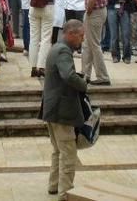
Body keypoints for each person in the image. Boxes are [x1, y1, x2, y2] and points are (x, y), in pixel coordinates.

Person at [40, 19, 88, 200]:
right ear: (71, 34)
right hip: (61, 110)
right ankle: (66, 192)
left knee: (58, 150)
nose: (82, 40)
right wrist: (83, 85)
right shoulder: (63, 50)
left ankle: (54, 186)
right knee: (68, 152)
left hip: (53, 108)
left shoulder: (57, 47)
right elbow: (68, 75)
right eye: (81, 36)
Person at [82, 0, 111, 85]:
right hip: (101, 9)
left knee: (94, 44)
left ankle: (103, 76)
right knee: (88, 44)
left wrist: (88, 10)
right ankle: (85, 74)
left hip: (94, 11)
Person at [28, 0, 58, 78]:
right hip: (47, 6)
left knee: (34, 38)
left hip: (34, 7)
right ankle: (41, 67)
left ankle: (33, 67)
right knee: (46, 39)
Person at [107, 0, 132, 64]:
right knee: (114, 35)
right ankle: (115, 56)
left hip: (124, 9)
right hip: (112, 9)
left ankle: (127, 56)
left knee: (126, 34)